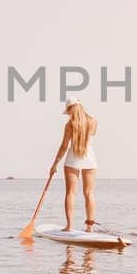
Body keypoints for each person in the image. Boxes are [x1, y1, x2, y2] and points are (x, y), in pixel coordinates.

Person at [50, 97, 98, 231]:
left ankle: (69, 226)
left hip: (73, 158)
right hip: (90, 158)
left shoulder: (70, 125)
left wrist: (55, 164)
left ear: (71, 109)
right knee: (89, 193)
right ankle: (89, 228)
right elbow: (93, 133)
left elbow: (64, 146)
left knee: (71, 193)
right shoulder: (93, 121)